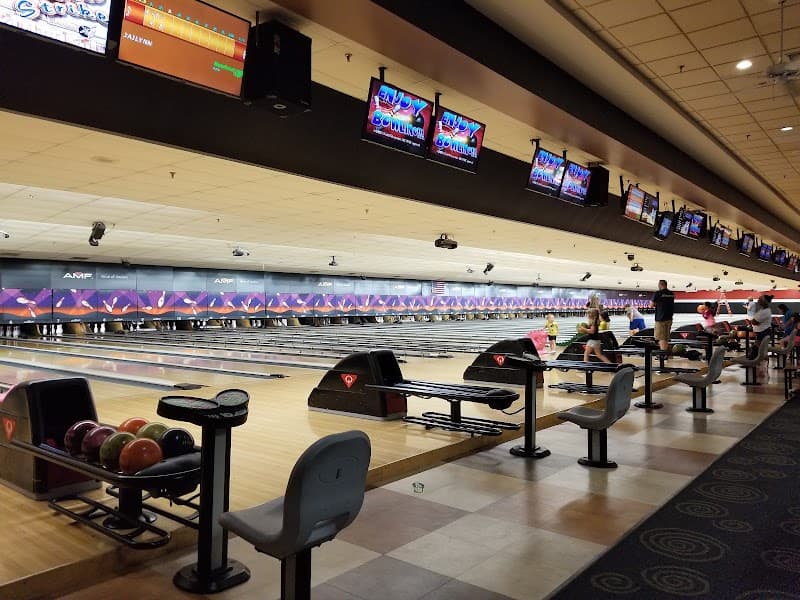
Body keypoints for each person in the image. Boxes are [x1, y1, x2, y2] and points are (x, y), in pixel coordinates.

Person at [651, 279, 675, 352]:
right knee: (666, 337)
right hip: (669, 318)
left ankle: (663, 354)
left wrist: (656, 304)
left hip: (660, 318)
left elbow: (651, 305)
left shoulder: (658, 293)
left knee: (661, 338)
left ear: (660, 284)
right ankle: (665, 353)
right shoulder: (671, 293)